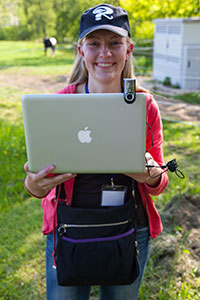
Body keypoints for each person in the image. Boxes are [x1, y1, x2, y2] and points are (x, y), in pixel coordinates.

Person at [24, 3, 169, 300]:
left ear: (128, 49)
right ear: (81, 50)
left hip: (130, 229)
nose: (105, 53)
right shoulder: (58, 104)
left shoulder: (144, 104)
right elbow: (37, 183)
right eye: (94, 44)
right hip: (70, 228)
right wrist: (33, 184)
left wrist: (149, 173)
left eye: (115, 43)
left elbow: (160, 182)